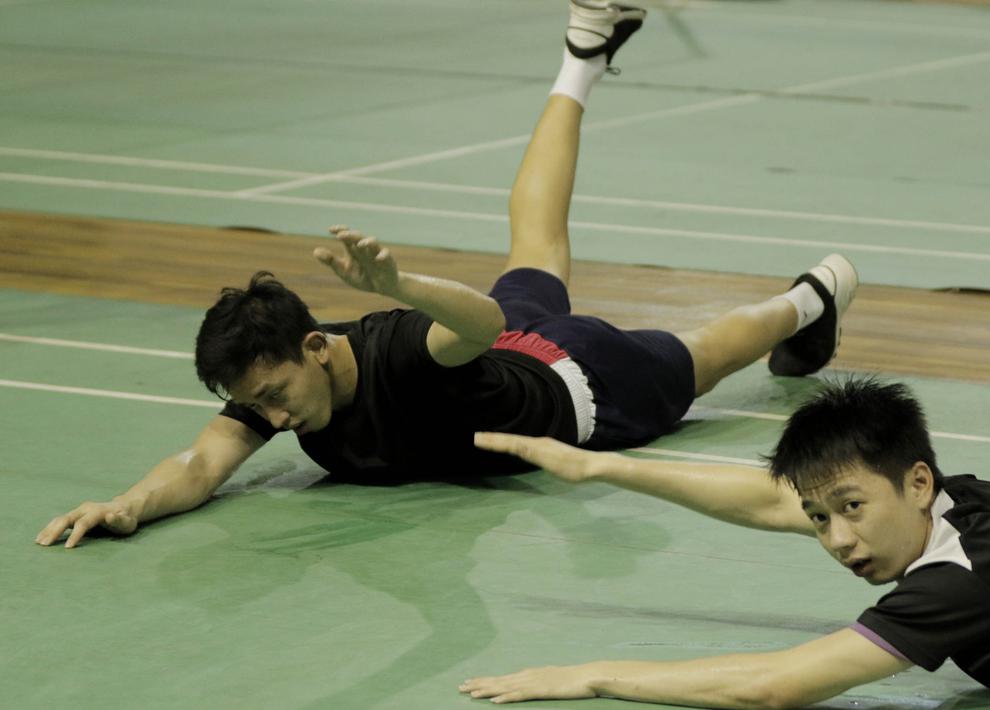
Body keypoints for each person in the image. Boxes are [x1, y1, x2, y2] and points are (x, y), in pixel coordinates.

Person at [34, 0, 858, 550]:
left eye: (274, 395)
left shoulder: (396, 350)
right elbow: (200, 466)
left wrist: (399, 288)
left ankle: (811, 293)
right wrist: (127, 506)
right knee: (534, 240)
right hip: (510, 349)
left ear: (316, 346)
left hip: (583, 387)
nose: (271, 418)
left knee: (705, 354)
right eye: (255, 405)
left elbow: (477, 331)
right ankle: (583, 55)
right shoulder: (273, 390)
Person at [461, 377, 990, 709]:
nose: (836, 537)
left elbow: (774, 686)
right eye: (822, 517)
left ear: (916, 483)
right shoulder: (944, 504)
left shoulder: (964, 577)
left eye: (850, 508)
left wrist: (597, 674)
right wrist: (602, 466)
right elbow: (770, 498)